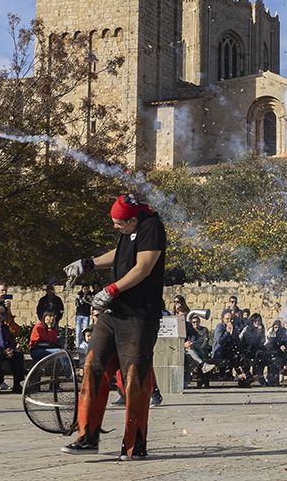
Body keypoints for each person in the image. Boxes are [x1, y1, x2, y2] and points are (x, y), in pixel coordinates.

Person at [60, 193, 167, 460]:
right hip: (113, 312)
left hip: (138, 315)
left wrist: (111, 289)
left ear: (133, 219)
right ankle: (87, 436)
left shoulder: (152, 228)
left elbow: (143, 267)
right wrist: (88, 263)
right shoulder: (128, 229)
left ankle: (135, 443)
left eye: (119, 223)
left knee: (134, 377)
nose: (115, 227)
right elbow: (119, 254)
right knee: (93, 365)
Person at [75, 284, 93, 350]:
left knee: (85, 332)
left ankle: (84, 348)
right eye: (84, 289)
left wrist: (87, 300)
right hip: (79, 315)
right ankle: (78, 348)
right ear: (82, 289)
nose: (85, 290)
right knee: (78, 332)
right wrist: (78, 300)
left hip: (86, 315)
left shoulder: (90, 296)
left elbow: (92, 303)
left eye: (87, 289)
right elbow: (76, 304)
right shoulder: (79, 295)